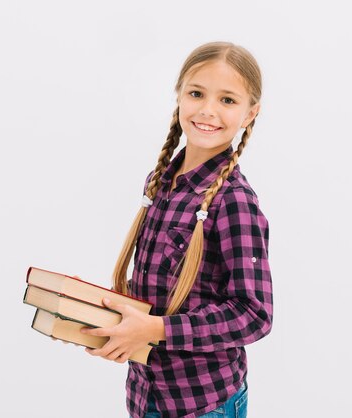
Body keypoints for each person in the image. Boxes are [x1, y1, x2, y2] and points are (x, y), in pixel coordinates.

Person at [80, 41, 273, 418]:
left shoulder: (233, 201)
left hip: (202, 404)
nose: (208, 110)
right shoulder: (160, 182)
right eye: (197, 93)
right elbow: (160, 294)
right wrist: (118, 326)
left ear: (251, 113)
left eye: (228, 100)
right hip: (147, 393)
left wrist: (156, 330)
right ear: (179, 96)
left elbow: (255, 314)